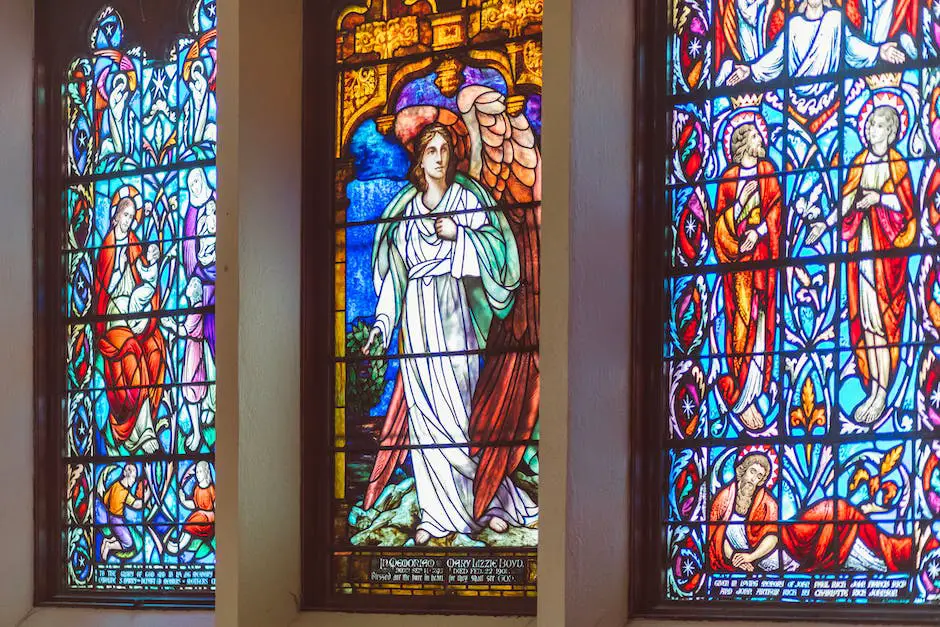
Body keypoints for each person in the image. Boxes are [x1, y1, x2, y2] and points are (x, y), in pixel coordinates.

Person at [361, 123, 537, 545]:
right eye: (431, 150)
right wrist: (382, 328)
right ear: (420, 161)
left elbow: (499, 249)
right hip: (417, 325)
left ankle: (487, 503)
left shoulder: (467, 200)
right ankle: (437, 516)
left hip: (457, 317)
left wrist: (459, 235)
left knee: (461, 417)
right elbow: (395, 283)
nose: (439, 157)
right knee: (425, 421)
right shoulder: (404, 214)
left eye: (444, 149)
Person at [808, 105, 915, 424]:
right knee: (868, 324)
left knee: (883, 324)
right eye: (869, 125)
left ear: (892, 132)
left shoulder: (897, 165)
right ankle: (875, 390)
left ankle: (884, 390)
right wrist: (825, 224)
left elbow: (908, 207)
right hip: (862, 254)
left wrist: (878, 199)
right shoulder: (859, 163)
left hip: (888, 260)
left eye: (878, 126)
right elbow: (847, 200)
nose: (870, 130)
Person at [726, 0, 905, 119]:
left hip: (834, 95)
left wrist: (879, 52)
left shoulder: (835, 19)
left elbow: (852, 46)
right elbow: (776, 56)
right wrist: (751, 70)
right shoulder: (793, 25)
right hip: (796, 97)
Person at [713, 122, 782, 431]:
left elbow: (777, 212)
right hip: (736, 266)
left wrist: (760, 231)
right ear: (742, 143)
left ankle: (754, 393)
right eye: (754, 135)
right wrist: (738, 215)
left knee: (761, 324)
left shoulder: (768, 172)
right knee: (739, 326)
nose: (761, 139)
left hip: (762, 264)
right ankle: (741, 396)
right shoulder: (728, 179)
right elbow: (719, 225)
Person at [94, 190, 167, 454]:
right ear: (115, 217)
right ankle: (141, 431)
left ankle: (149, 424)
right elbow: (104, 289)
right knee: (132, 356)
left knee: (156, 348)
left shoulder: (134, 242)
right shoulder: (106, 248)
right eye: (125, 215)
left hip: (134, 314)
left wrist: (152, 260)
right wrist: (121, 264)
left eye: (131, 216)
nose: (129, 220)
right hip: (113, 315)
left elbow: (145, 276)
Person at [99, 464, 149, 561]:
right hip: (116, 520)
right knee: (129, 544)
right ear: (126, 474)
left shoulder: (114, 486)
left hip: (112, 518)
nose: (134, 480)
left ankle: (108, 544)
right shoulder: (123, 492)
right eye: (133, 477)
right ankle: (108, 546)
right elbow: (136, 505)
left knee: (124, 538)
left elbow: (105, 500)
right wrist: (146, 497)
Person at [166, 461, 215, 555]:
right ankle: (179, 543)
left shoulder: (211, 488)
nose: (198, 474)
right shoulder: (197, 488)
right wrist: (183, 500)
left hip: (208, 518)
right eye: (196, 472)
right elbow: (194, 504)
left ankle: (179, 546)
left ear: (206, 472)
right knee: (189, 523)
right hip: (200, 516)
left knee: (191, 524)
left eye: (200, 471)